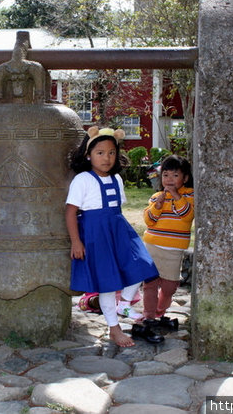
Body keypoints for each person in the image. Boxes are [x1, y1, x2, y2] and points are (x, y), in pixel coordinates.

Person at [65, 126, 161, 347]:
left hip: (118, 230)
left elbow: (116, 208)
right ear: (89, 155)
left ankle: (124, 303)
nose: (106, 158)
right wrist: (76, 241)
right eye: (100, 153)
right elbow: (71, 211)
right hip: (94, 234)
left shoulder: (116, 179)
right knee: (106, 282)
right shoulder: (83, 180)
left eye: (111, 152)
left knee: (142, 265)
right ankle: (114, 328)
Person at [141, 155, 195, 330]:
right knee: (150, 283)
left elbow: (187, 216)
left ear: (185, 178)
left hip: (174, 250)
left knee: (170, 286)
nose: (169, 179)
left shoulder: (189, 195)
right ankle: (149, 316)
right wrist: (157, 206)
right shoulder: (156, 196)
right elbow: (149, 221)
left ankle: (159, 311)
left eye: (175, 175)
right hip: (152, 246)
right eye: (165, 175)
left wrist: (176, 196)